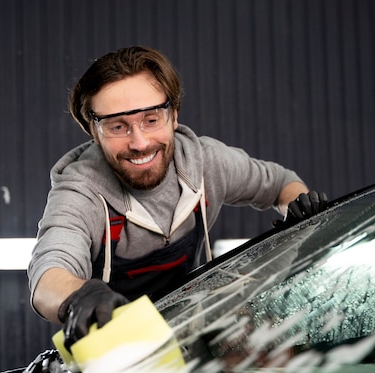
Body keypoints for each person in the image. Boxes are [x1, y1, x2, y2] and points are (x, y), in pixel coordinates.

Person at [27, 45, 327, 350]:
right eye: (118, 126)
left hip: (189, 336)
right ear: (93, 129)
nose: (139, 142)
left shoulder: (206, 163)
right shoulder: (80, 190)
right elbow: (48, 277)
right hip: (118, 356)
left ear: (174, 115)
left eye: (151, 119)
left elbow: (280, 183)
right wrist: (80, 295)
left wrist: (299, 205)